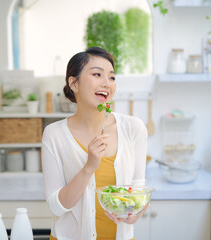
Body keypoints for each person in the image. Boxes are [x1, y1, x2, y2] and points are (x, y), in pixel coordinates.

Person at [42, 47, 148, 240]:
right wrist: (89, 167)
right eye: (97, 74)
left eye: (112, 77)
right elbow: (56, 206)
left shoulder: (134, 128)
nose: (106, 83)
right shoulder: (54, 134)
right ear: (73, 83)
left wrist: (135, 213)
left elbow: (138, 192)